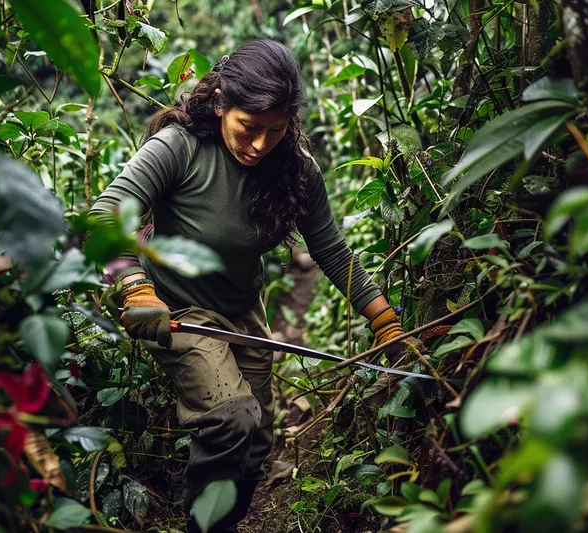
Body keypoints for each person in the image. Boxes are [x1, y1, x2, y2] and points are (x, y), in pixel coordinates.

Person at [92, 39, 419, 533]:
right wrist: (136, 288)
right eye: (249, 127)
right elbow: (105, 215)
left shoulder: (297, 168)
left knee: (256, 446)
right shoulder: (180, 147)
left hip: (244, 314)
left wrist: (386, 323)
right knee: (233, 418)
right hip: (177, 310)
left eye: (276, 130)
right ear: (221, 102)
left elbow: (333, 253)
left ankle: (222, 522)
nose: (260, 144)